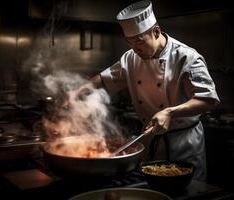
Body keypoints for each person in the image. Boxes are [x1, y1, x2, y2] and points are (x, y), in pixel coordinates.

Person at [88, 0, 220, 181]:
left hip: (183, 146)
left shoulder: (186, 57)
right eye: (129, 43)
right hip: (151, 144)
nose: (135, 49)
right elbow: (103, 79)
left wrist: (169, 112)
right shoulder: (131, 57)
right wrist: (76, 93)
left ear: (156, 31)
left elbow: (208, 100)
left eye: (139, 41)